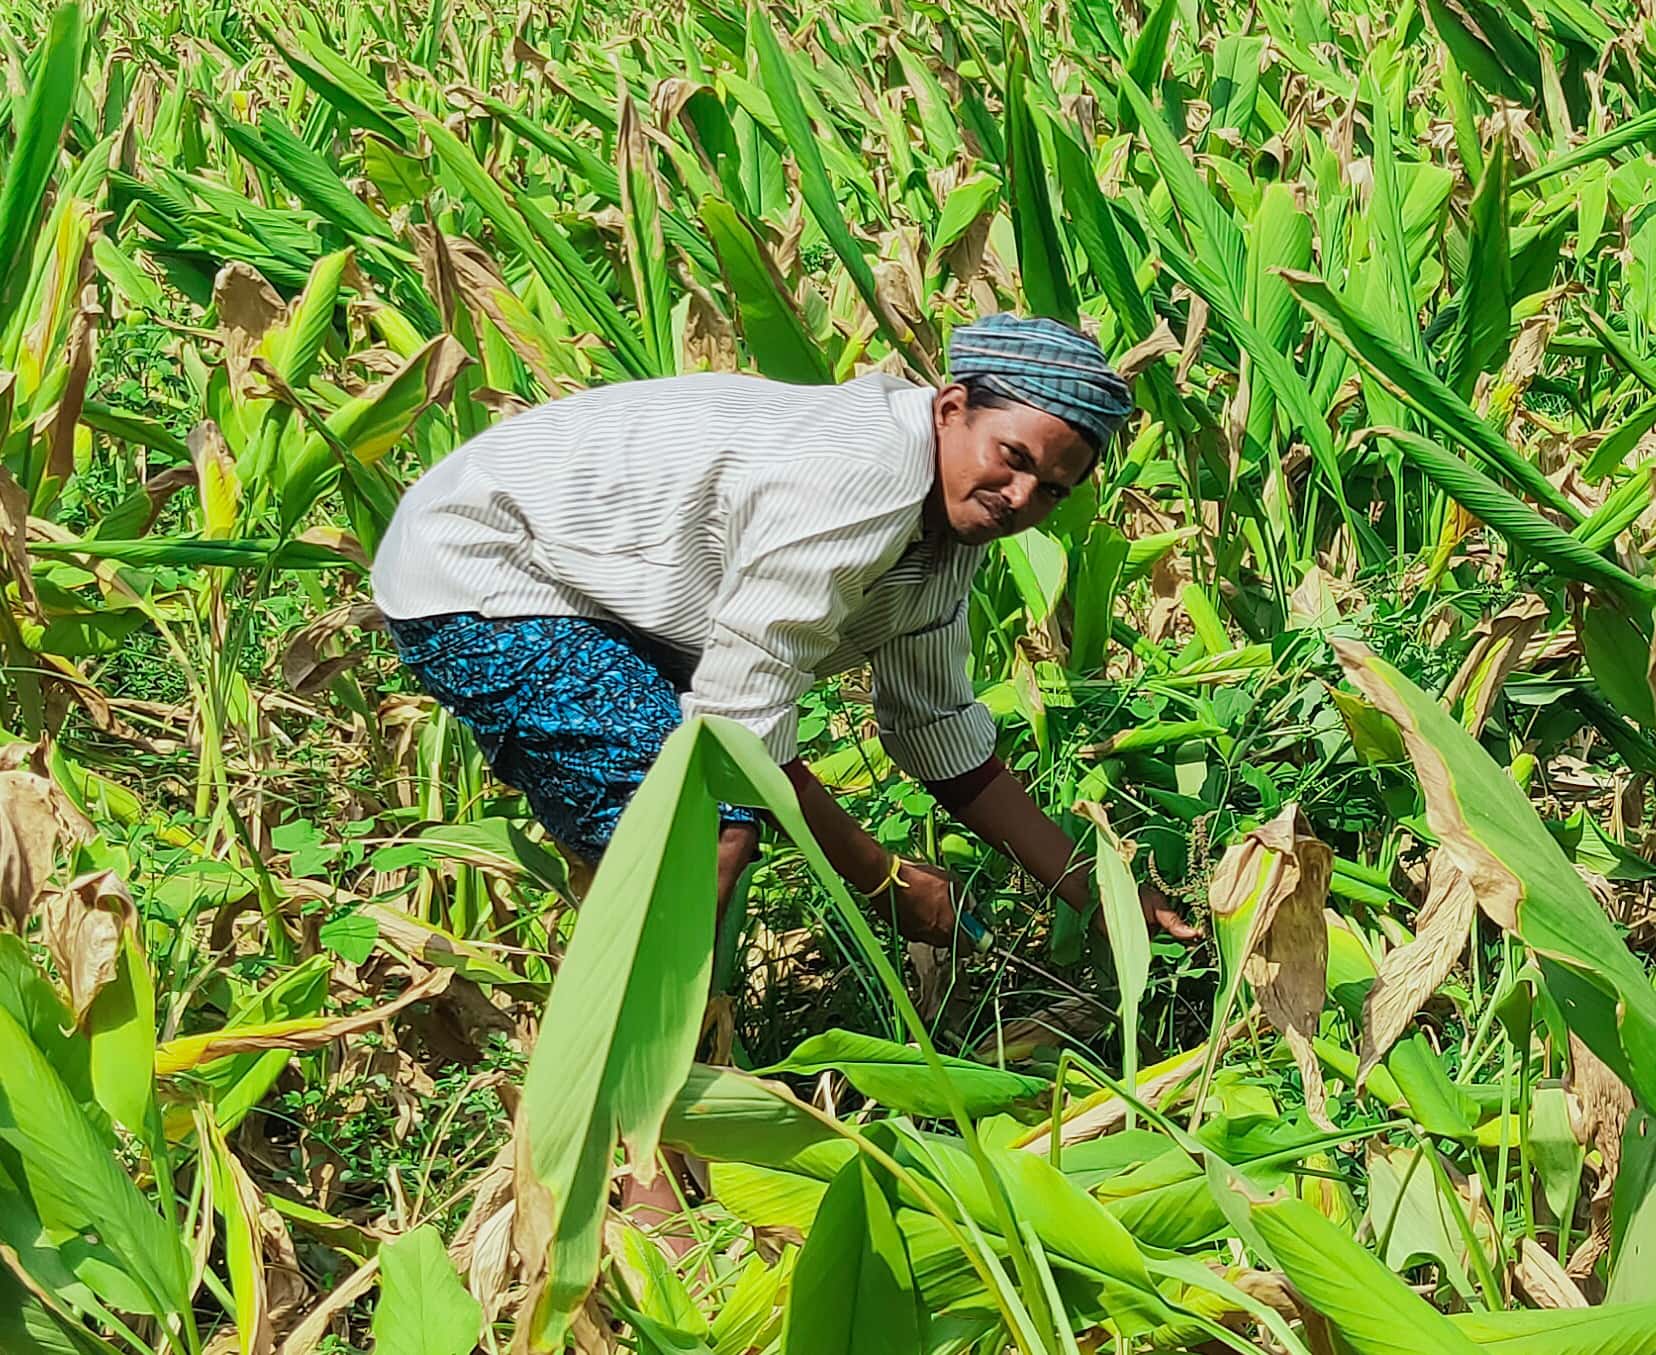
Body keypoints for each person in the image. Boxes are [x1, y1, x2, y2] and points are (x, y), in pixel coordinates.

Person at [372, 313, 1195, 947]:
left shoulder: (946, 531)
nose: (1020, 498)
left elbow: (940, 733)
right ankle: (632, 1143)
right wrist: (884, 880)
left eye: (1051, 489)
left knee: (701, 831)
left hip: (613, 590)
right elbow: (738, 731)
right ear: (950, 408)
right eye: (1011, 457)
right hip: (492, 561)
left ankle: (659, 1097)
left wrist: (1101, 896)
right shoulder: (860, 474)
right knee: (703, 834)